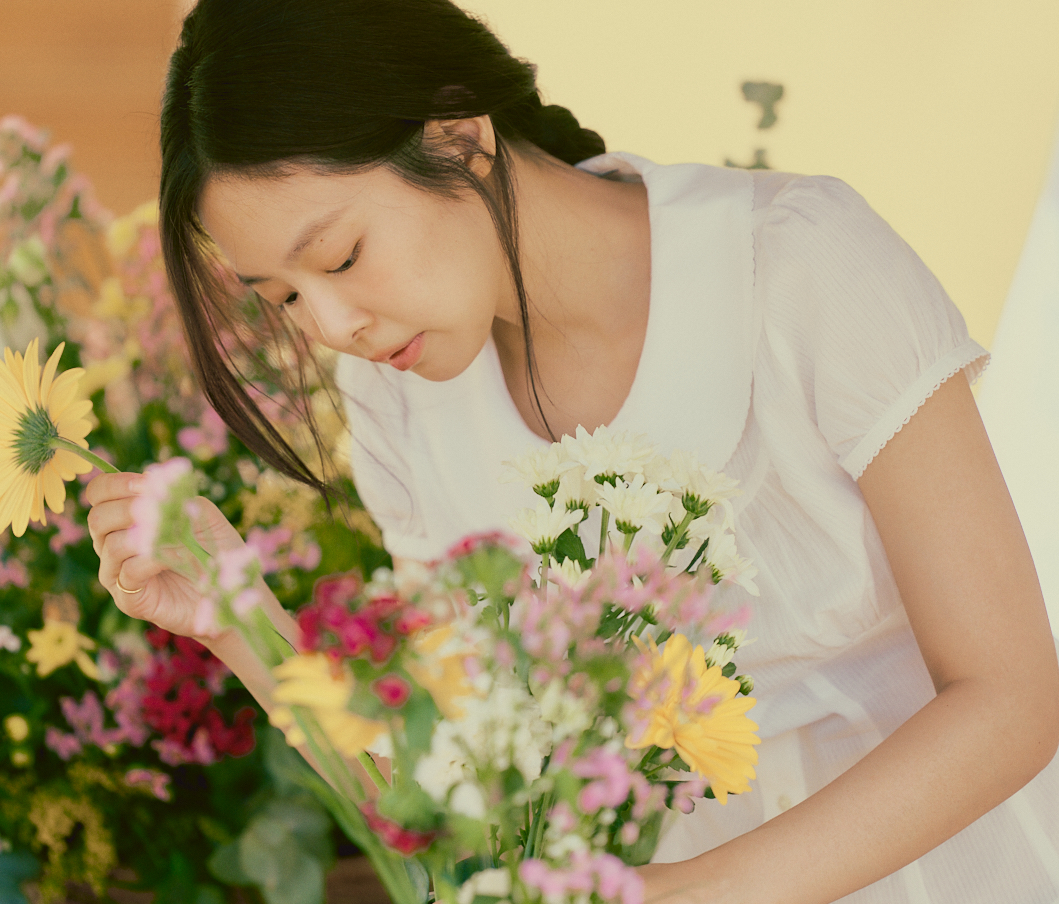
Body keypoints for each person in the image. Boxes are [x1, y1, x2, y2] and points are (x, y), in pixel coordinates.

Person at [85, 0, 1059, 900]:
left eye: (340, 257)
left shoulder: (798, 263)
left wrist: (684, 893)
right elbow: (452, 797)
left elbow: (1008, 699)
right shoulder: (396, 399)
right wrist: (238, 617)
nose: (334, 322)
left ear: (457, 136)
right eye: (285, 297)